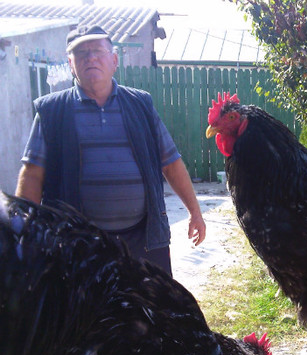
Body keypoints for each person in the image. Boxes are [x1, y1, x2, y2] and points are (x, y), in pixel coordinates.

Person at [16, 25, 205, 276]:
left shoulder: (141, 105)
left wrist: (195, 212)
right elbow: (32, 175)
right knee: (87, 315)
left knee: (147, 311)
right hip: (78, 245)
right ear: (71, 64)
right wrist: (23, 230)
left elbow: (171, 163)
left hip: (143, 240)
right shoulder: (53, 111)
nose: (90, 58)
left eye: (97, 51)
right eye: (81, 54)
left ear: (114, 60)